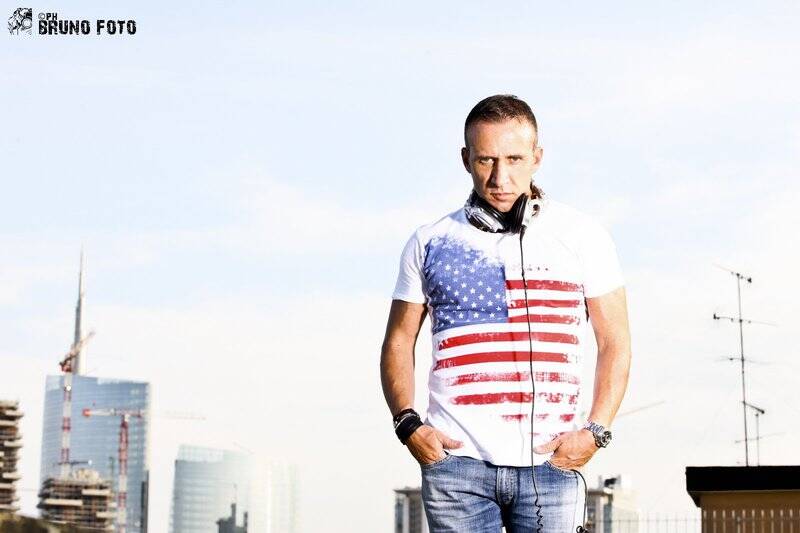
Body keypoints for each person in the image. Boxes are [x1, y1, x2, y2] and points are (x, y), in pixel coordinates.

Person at [380, 94, 632, 532]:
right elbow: (399, 339)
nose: (500, 177)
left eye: (514, 159)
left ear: (537, 157)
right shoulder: (429, 241)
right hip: (455, 465)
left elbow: (616, 341)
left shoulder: (583, 236)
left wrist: (596, 433)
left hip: (552, 464)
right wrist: (408, 425)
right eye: (486, 160)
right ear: (466, 159)